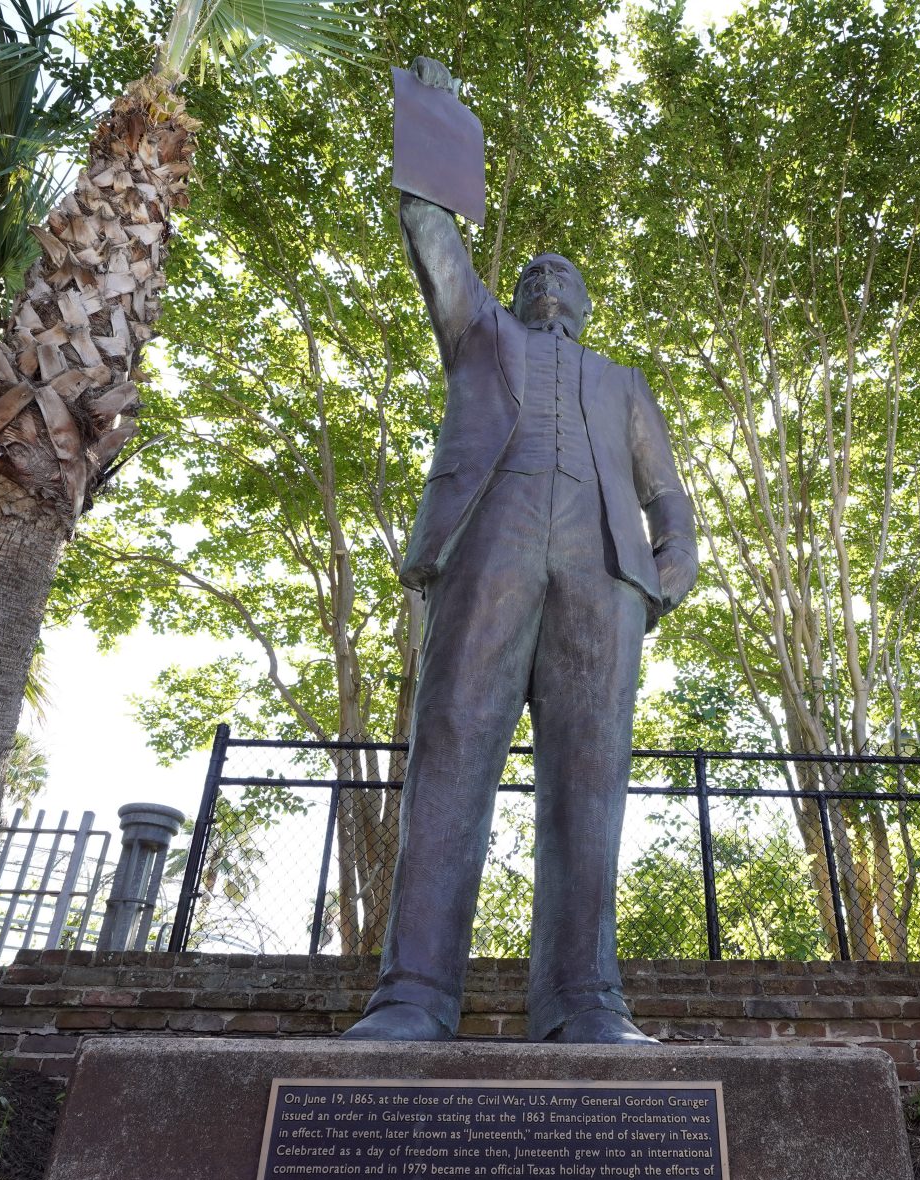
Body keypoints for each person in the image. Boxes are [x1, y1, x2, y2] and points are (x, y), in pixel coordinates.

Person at [342, 56, 699, 1045]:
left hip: (604, 573)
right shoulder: (481, 335)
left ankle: (587, 1000)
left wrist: (677, 555)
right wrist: (435, 130)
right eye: (532, 271)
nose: (545, 280)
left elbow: (666, 489)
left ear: (585, 304)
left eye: (562, 275)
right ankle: (412, 993)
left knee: (593, 771)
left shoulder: (625, 382)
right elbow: (432, 238)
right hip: (489, 547)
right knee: (451, 746)